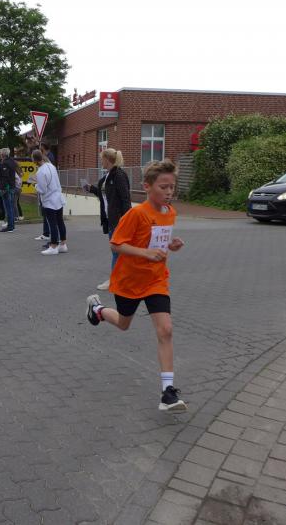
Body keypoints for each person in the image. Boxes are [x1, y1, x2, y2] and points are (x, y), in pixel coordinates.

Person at [86, 160, 186, 412]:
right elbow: (115, 244)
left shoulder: (170, 212)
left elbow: (157, 243)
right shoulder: (136, 214)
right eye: (163, 187)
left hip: (156, 279)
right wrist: (145, 253)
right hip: (129, 281)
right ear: (147, 186)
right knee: (123, 324)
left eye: (172, 187)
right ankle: (98, 310)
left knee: (166, 330)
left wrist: (170, 245)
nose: (169, 192)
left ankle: (168, 392)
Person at [84, 148, 131, 291]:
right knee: (117, 252)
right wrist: (91, 189)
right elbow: (104, 195)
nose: (100, 161)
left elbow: (125, 199)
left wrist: (125, 220)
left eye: (102, 159)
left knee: (117, 252)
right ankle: (121, 279)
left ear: (107, 159)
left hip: (118, 221)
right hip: (111, 220)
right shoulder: (108, 176)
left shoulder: (119, 175)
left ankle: (114, 281)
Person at [33, 150, 67, 255]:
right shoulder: (51, 166)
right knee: (60, 221)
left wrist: (35, 185)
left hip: (49, 200)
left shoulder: (40, 172)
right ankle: (63, 244)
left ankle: (53, 246)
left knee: (52, 223)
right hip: (58, 197)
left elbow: (42, 190)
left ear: (35, 160)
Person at [0, 148, 18, 232]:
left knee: (8, 208)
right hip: (12, 186)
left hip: (6, 188)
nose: (0, 155)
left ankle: (10, 226)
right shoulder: (12, 161)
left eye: (0, 153)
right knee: (11, 207)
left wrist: (3, 188)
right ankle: (12, 225)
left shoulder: (5, 163)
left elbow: (5, 177)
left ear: (3, 154)